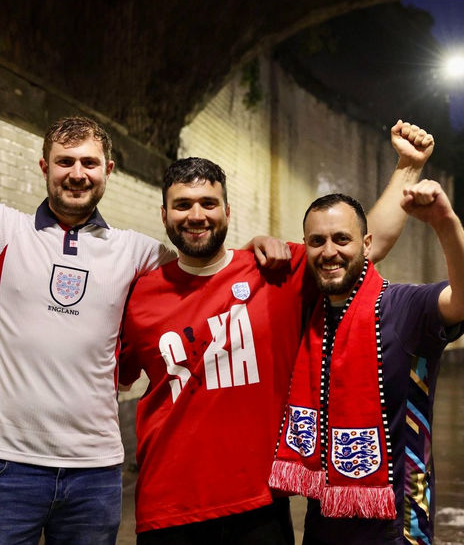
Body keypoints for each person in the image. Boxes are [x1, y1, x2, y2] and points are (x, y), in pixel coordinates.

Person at [118, 120, 434, 544]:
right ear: (164, 214)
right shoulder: (140, 294)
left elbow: (365, 247)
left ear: (227, 212)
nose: (196, 215)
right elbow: (111, 377)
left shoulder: (277, 271)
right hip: (168, 507)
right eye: (183, 205)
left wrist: (408, 168)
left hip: (258, 505)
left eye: (208, 203)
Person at [0, 116, 178, 544]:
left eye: (89, 163)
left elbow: (208, 270)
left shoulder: (137, 251)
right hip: (9, 465)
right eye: (65, 161)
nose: (77, 174)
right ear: (44, 167)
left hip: (95, 473)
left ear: (108, 170)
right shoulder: (8, 230)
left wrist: (253, 250)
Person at [269, 181, 464, 544]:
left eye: (342, 239)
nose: (329, 251)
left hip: (397, 526)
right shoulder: (307, 315)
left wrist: (445, 223)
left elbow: (460, 301)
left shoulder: (403, 308)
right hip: (323, 520)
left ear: (367, 245)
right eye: (317, 241)